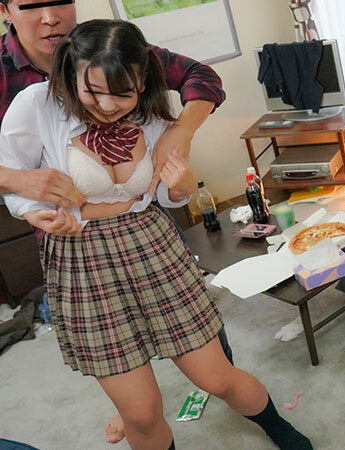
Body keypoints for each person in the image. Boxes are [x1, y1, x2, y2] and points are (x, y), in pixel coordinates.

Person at [0, 19, 312, 450]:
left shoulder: (152, 113)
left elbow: (168, 194)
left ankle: (278, 427)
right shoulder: (36, 104)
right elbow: (16, 181)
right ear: (72, 74)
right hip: (80, 260)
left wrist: (182, 185)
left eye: (122, 93)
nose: (107, 106)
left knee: (218, 378)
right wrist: (39, 214)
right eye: (93, 91)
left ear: (143, 83)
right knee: (142, 412)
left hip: (152, 245)